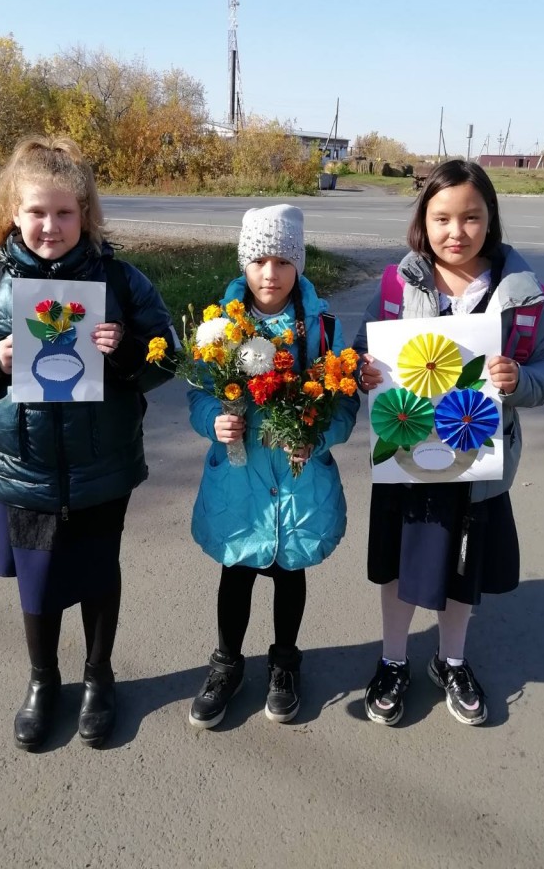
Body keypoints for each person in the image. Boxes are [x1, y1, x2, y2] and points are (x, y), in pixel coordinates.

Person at [0, 136, 176, 750]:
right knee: (37, 581)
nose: (50, 226)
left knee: (98, 573)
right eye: (37, 211)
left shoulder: (118, 279)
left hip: (102, 467)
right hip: (24, 468)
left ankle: (98, 677)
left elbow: (168, 354)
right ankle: (43, 680)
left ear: (85, 214)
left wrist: (128, 354)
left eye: (65, 212)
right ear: (14, 211)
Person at [353, 159, 544, 727]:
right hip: (406, 460)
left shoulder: (520, 295)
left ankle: (451, 660)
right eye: (442, 217)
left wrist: (520, 381)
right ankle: (393, 660)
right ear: (423, 221)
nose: (456, 231)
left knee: (463, 573)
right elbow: (358, 350)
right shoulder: (399, 284)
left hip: (477, 465)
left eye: (471, 217)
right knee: (398, 567)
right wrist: (363, 372)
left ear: (490, 218)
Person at [188, 205, 359, 729]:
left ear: (298, 265)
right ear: (243, 262)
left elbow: (344, 405)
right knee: (236, 571)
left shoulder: (322, 329)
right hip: (240, 479)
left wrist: (317, 436)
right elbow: (198, 394)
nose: (270, 273)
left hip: (298, 481)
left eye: (283, 261)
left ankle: (285, 662)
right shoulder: (218, 329)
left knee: (290, 574)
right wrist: (213, 421)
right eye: (259, 260)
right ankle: (226, 663)